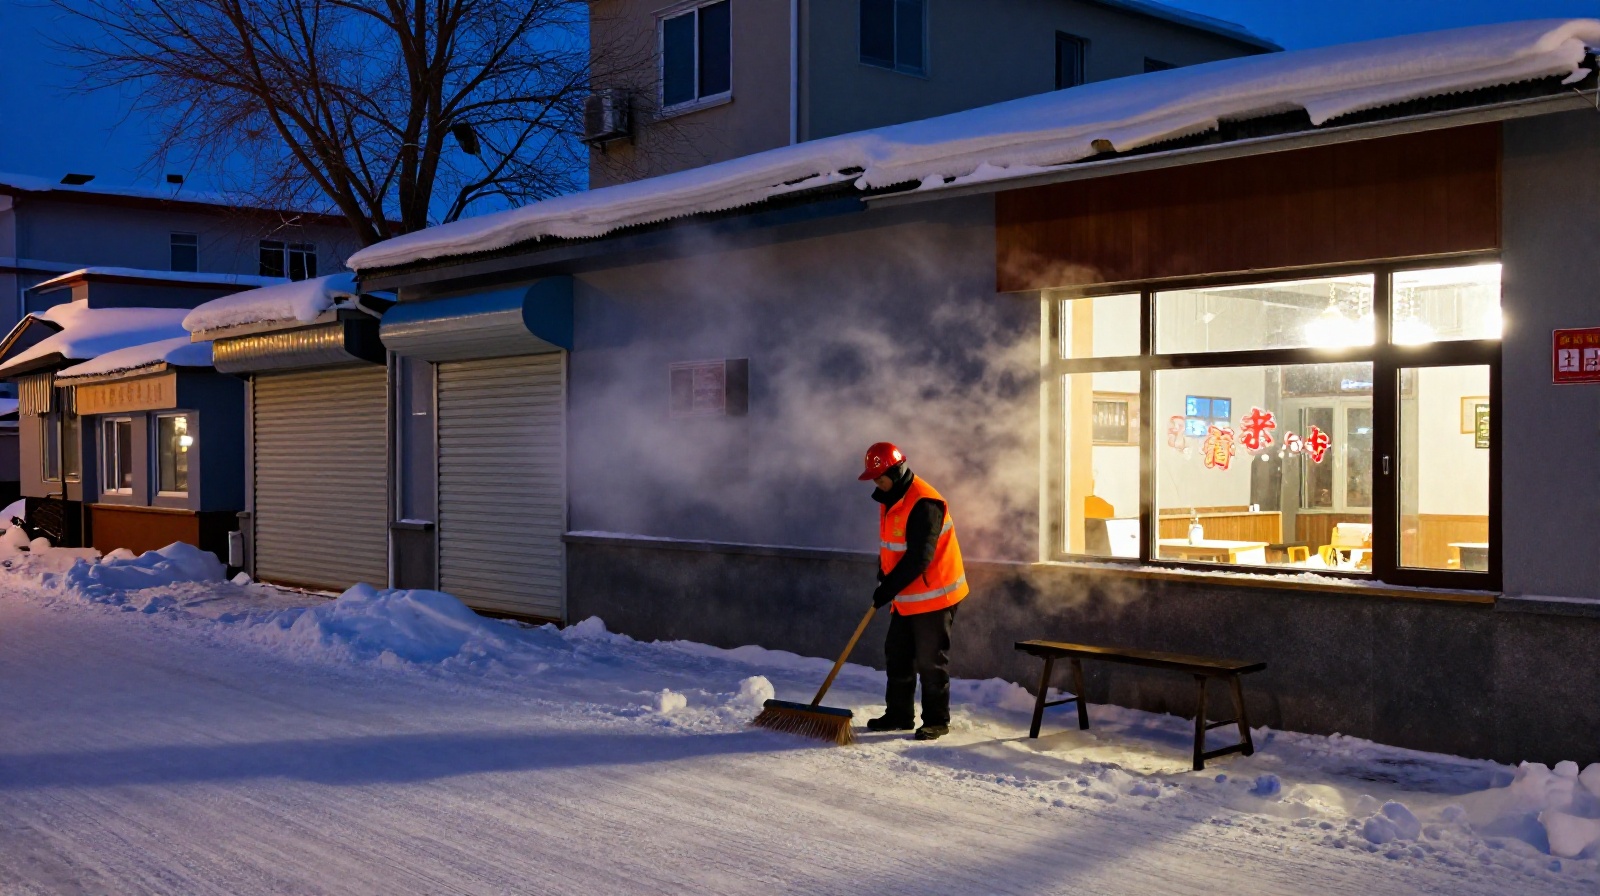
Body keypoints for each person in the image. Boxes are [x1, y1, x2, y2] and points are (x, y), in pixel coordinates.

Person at [858, 441, 968, 741]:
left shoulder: (924, 503)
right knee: (897, 654)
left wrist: (888, 588)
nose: (877, 483)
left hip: (936, 595)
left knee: (930, 661)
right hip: (907, 595)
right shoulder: (890, 497)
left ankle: (936, 720)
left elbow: (920, 557)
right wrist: (884, 575)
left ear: (896, 470)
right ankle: (899, 714)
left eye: (880, 477)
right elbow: (894, 546)